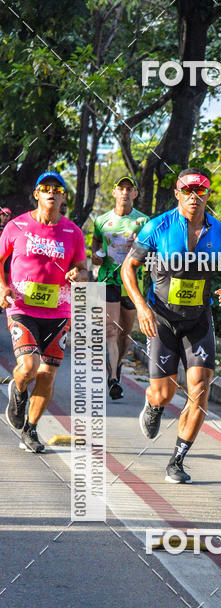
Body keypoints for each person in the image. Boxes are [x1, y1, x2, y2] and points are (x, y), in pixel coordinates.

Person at [121, 167, 221, 483]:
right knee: (164, 393)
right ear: (177, 193)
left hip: (198, 320)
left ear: (207, 194)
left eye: (200, 190)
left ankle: (177, 460)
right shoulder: (156, 227)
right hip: (161, 319)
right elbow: (128, 269)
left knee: (200, 390)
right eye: (187, 190)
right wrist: (141, 306)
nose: (194, 196)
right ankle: (153, 403)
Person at [0, 171, 87, 452]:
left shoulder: (73, 232)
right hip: (22, 307)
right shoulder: (16, 226)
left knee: (48, 374)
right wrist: (2, 288)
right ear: (37, 194)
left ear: (63, 196)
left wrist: (78, 274)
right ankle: (19, 389)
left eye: (57, 188)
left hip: (58, 311)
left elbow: (83, 269)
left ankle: (31, 429)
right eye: (45, 188)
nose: (51, 192)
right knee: (29, 367)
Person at [92, 176, 149, 400]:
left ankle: (117, 365)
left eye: (129, 189)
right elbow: (95, 244)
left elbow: (152, 252)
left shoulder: (144, 221)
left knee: (125, 335)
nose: (125, 192)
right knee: (111, 331)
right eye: (121, 188)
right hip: (109, 279)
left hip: (133, 282)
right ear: (114, 192)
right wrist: (95, 256)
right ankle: (114, 377)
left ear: (135, 194)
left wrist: (141, 247)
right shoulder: (101, 220)